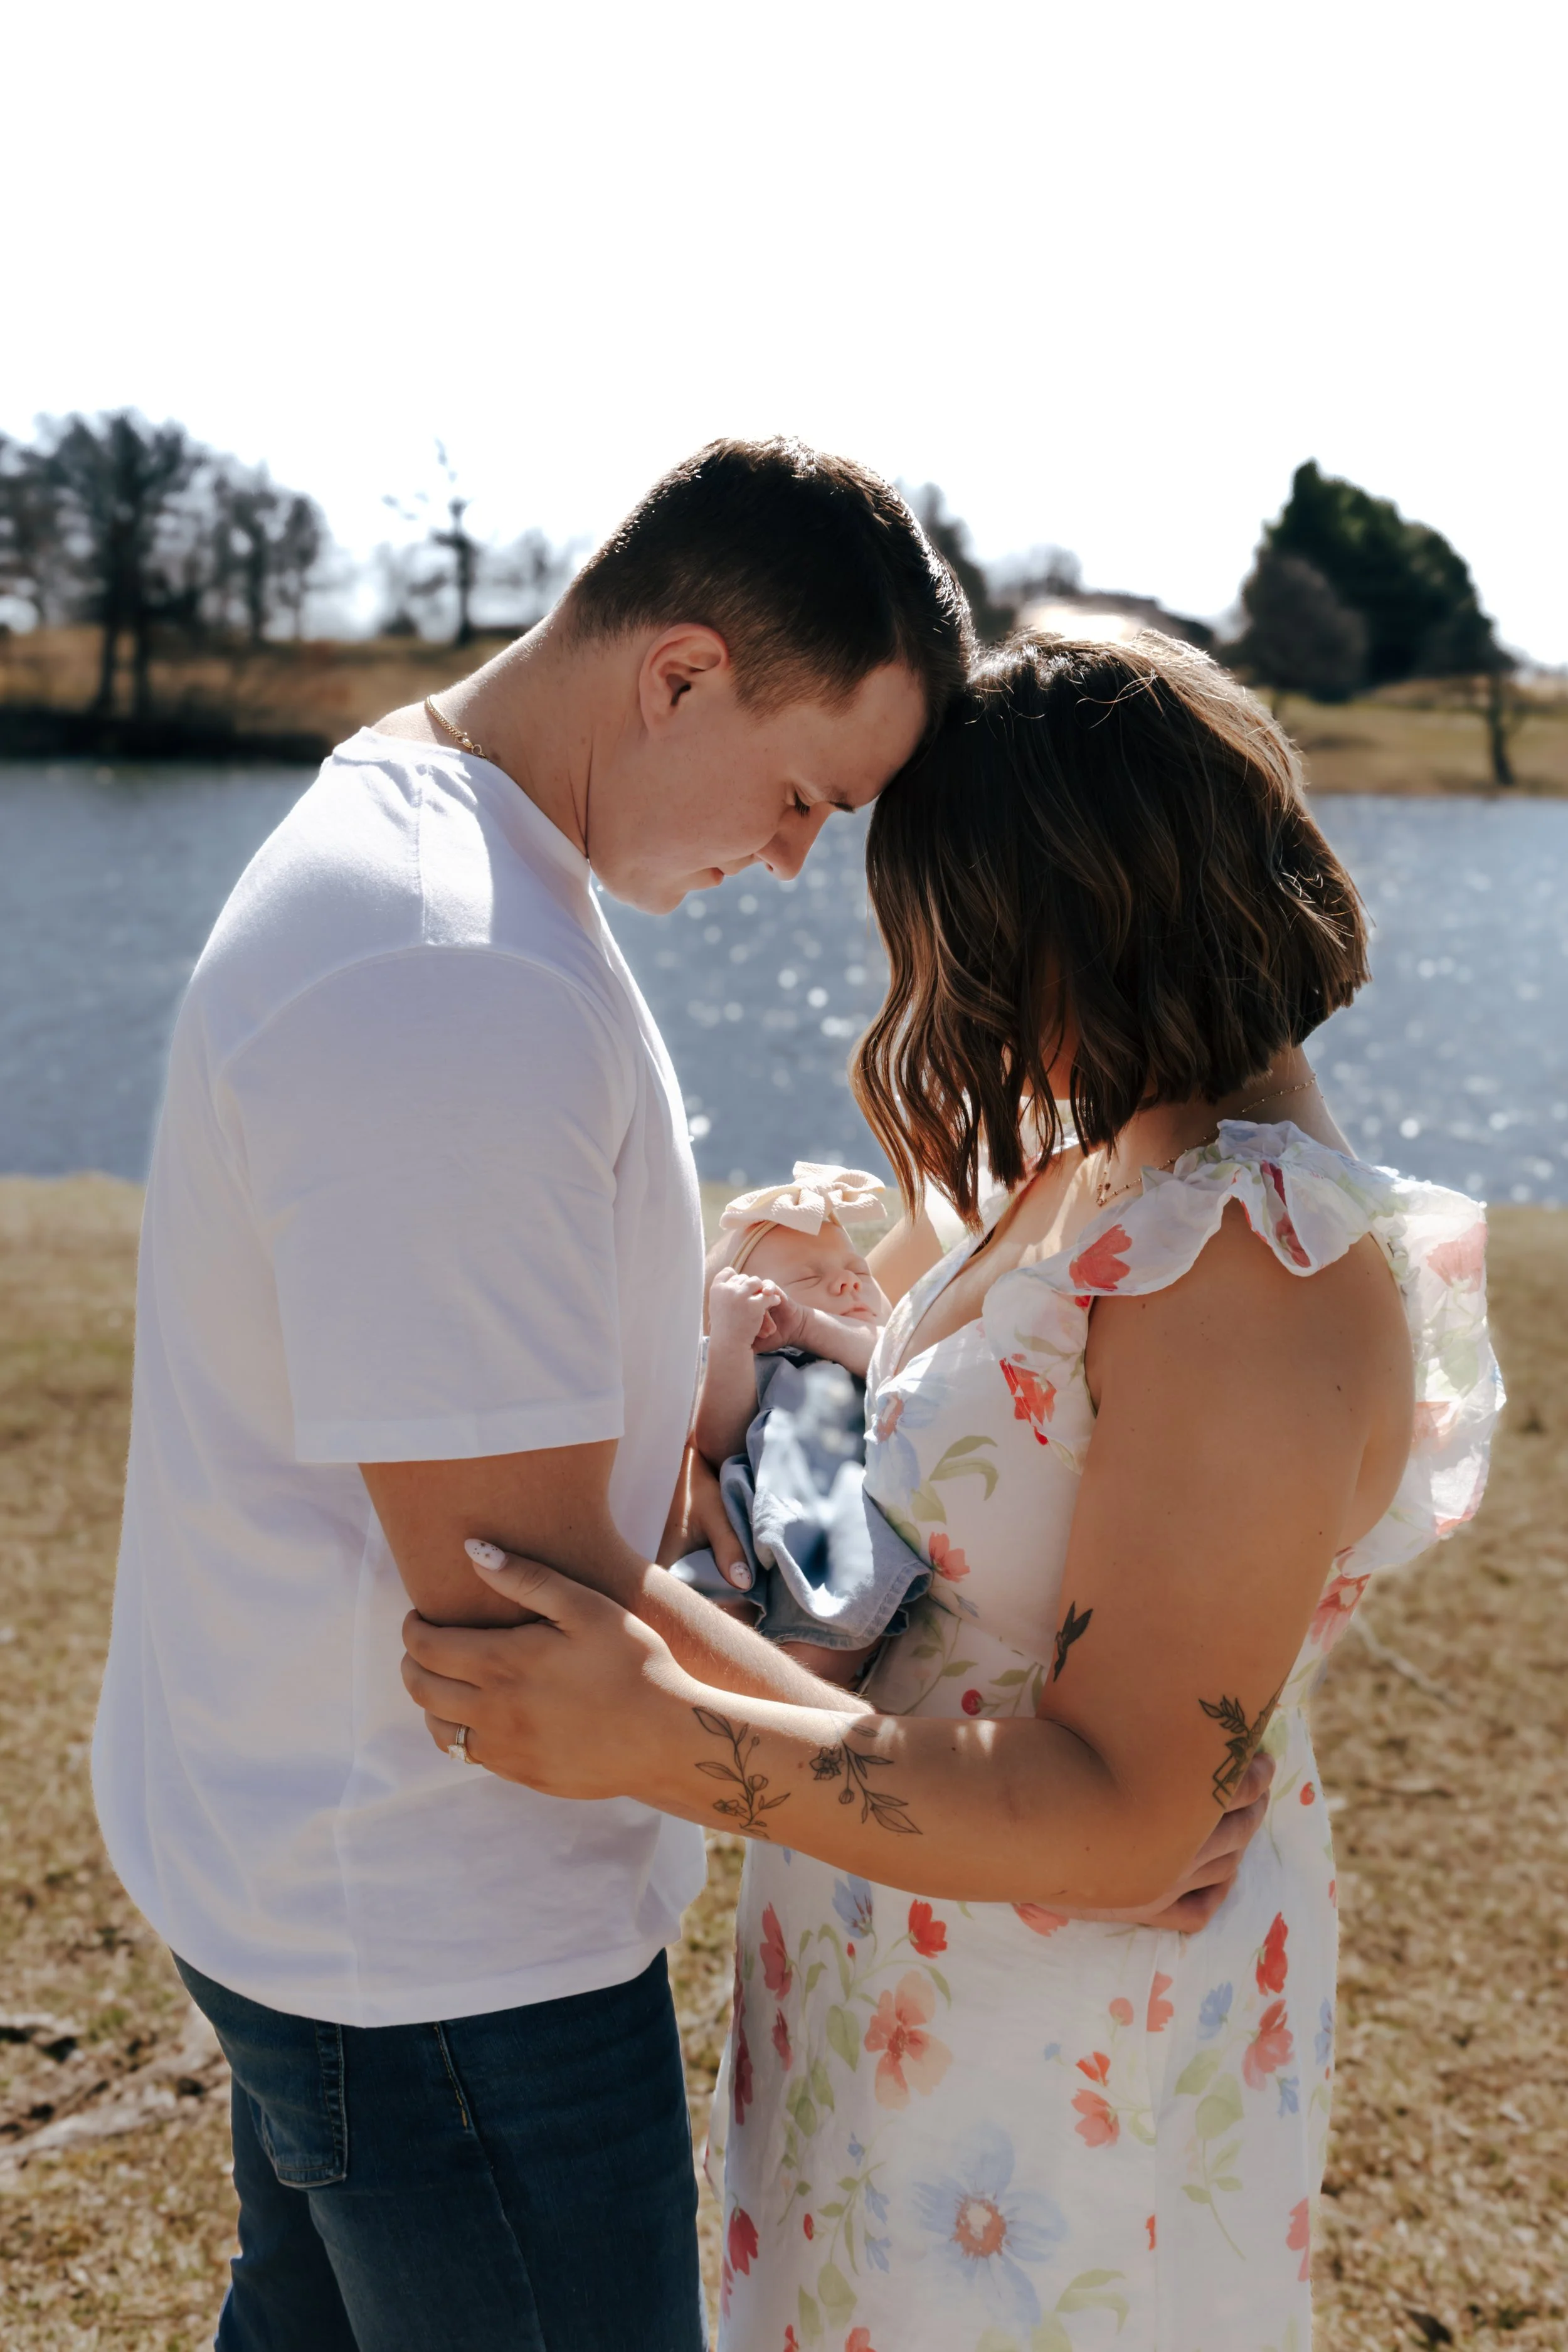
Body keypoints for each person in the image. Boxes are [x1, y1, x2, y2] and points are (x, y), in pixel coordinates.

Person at [402, 632, 1502, 2350]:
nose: (937, 990)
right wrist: (774, 1308)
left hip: (1064, 2047)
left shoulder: (1247, 1263)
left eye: (946, 934)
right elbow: (906, 1353)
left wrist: (659, 1728)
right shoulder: (1105, 1158)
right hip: (911, 1981)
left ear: (1068, 915)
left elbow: (1134, 1813)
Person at [92, 437, 975, 2351]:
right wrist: (965, 1789)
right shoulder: (447, 968)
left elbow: (513, 1419)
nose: (791, 857)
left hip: (343, 1885)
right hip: (437, 1955)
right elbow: (529, 1616)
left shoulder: (470, 862)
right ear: (678, 672)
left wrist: (725, 1357)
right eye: (803, 791)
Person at [674, 1162, 918, 1687]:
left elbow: (886, 1361)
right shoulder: (753, 1362)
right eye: (810, 1278)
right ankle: (724, 1700)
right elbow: (718, 1444)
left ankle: (793, 1713)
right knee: (712, 1614)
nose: (850, 1280)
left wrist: (810, 1322)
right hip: (748, 1510)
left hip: (836, 1516)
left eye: (859, 1269)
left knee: (828, 1630)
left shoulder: (877, 1350)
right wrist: (732, 1347)